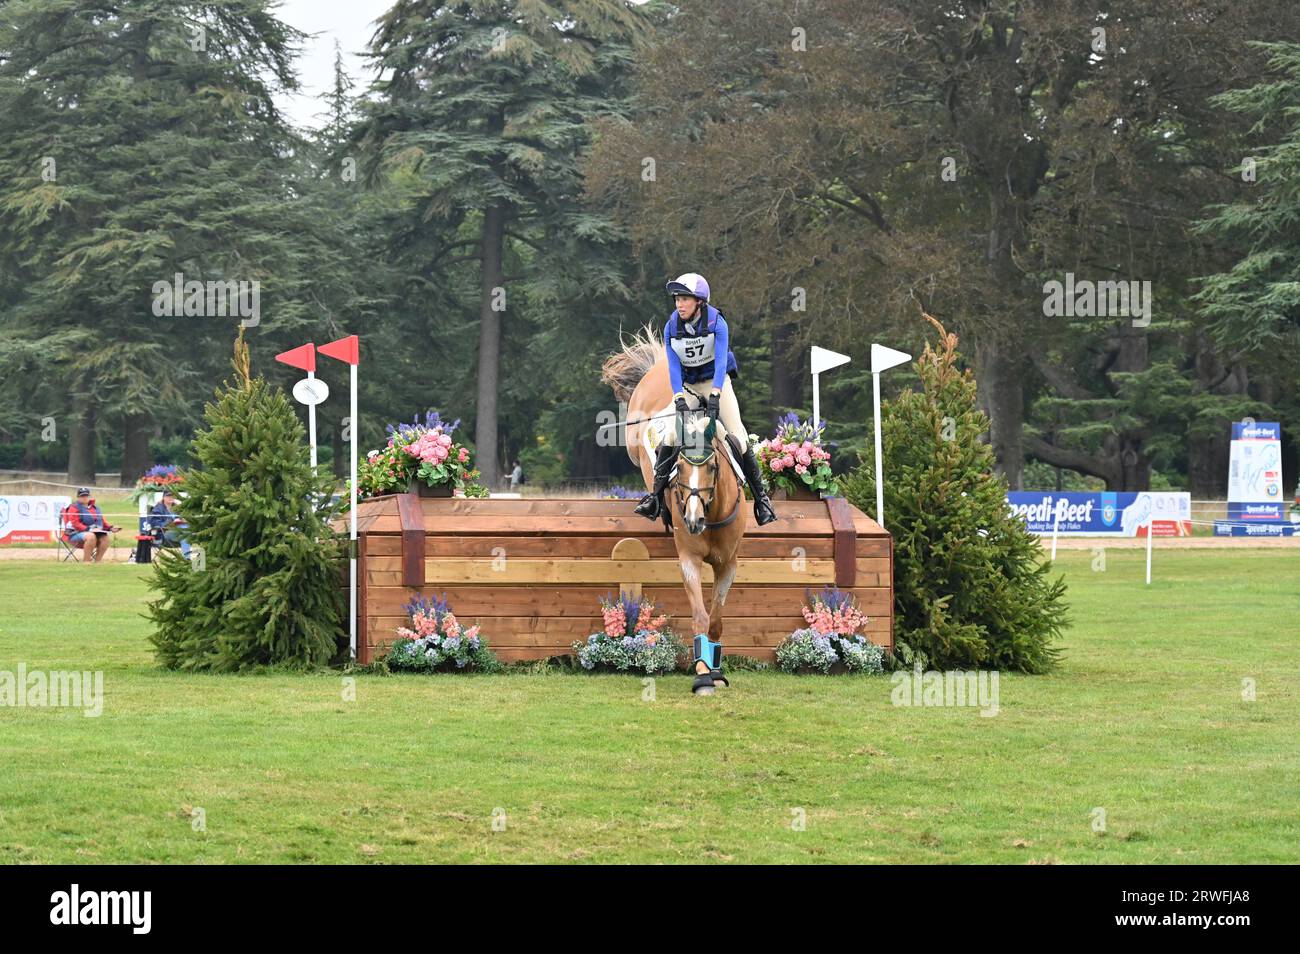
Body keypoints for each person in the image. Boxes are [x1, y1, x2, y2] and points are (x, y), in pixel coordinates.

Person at [634, 272, 777, 526]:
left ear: (699, 302)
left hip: (716, 382)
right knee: (668, 435)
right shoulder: (671, 327)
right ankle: (654, 498)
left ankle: (762, 500)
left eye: (685, 299)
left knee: (738, 438)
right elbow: (674, 367)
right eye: (677, 298)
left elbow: (721, 362)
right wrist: (678, 396)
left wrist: (715, 395)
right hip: (688, 386)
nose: (679, 304)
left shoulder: (717, 323)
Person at [64, 487, 121, 564]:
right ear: (78, 497)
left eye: (86, 496)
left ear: (89, 497)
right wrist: (89, 529)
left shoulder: (96, 508)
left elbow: (102, 522)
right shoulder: (73, 507)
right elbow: (75, 524)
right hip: (75, 534)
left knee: (105, 537)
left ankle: (98, 562)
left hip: (94, 533)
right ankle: (86, 561)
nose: (84, 498)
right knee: (91, 536)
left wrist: (111, 528)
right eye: (82, 496)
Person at [148, 490, 191, 558]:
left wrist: (184, 520)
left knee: (187, 532)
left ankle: (188, 558)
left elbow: (183, 518)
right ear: (163, 497)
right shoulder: (157, 509)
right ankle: (187, 558)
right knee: (186, 534)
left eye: (172, 496)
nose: (171, 498)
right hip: (164, 533)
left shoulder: (177, 508)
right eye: (168, 496)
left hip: (180, 531)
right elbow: (155, 524)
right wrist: (170, 522)